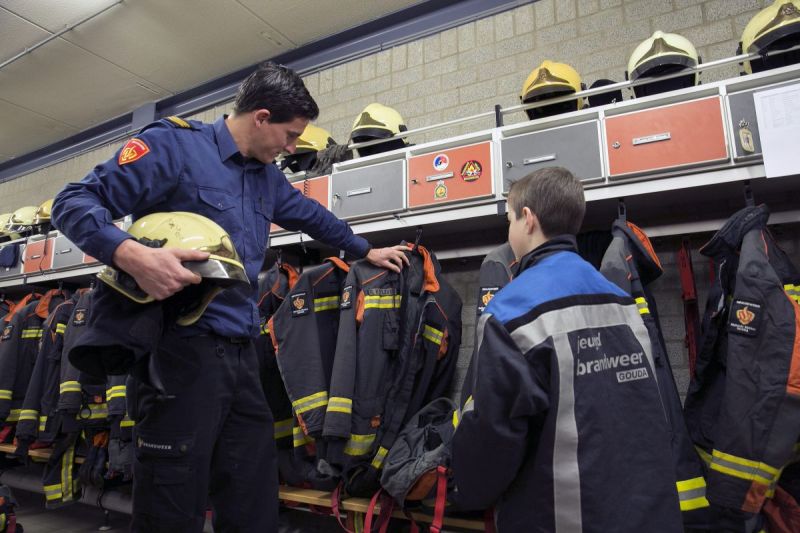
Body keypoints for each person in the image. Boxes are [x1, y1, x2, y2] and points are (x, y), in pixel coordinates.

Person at [51, 61, 408, 533]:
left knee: (252, 496)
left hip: (241, 355)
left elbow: (309, 215)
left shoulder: (266, 176)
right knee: (171, 502)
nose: (293, 146)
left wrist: (365, 249)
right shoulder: (172, 146)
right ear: (261, 117)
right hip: (178, 352)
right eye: (290, 134)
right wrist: (131, 254)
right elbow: (71, 202)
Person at [451, 167, 683, 532]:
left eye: (509, 219)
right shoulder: (621, 298)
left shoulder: (512, 311)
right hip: (644, 514)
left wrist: (462, 488)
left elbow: (491, 441)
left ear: (528, 220)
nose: (508, 231)